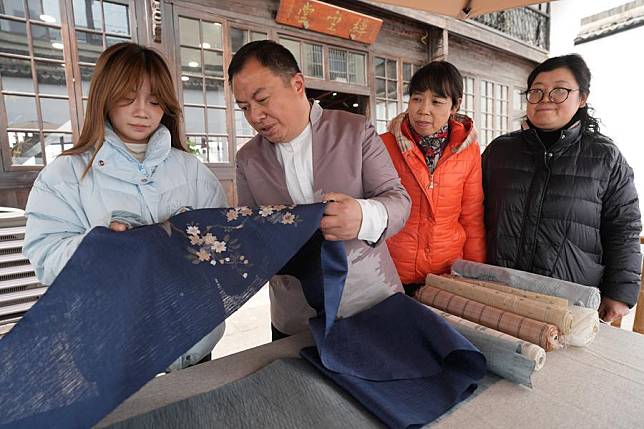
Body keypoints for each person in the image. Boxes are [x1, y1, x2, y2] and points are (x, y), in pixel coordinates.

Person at [22, 42, 227, 369]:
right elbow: (44, 254)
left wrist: (195, 240)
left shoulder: (193, 171)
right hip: (110, 351)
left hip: (192, 339)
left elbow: (223, 243)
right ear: (105, 95)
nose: (142, 111)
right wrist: (101, 245)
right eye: (127, 98)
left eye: (155, 100)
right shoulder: (66, 173)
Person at [229, 40, 411, 340]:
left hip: (367, 301)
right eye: (244, 107)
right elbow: (251, 230)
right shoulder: (248, 158)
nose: (255, 116)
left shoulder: (355, 131)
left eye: (262, 99)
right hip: (294, 315)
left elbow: (399, 201)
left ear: (297, 84)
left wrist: (363, 216)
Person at [482, 54, 641, 323]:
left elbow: (624, 227)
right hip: (500, 293)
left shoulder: (605, 157)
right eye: (537, 91)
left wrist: (620, 293)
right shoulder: (500, 150)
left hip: (570, 301)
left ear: (582, 98)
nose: (545, 98)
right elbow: (471, 209)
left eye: (559, 90)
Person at [380, 61, 485, 295]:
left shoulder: (467, 151)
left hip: (447, 275)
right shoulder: (383, 145)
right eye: (416, 98)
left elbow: (472, 217)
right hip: (390, 271)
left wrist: (475, 273)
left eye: (436, 102)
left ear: (455, 106)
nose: (423, 109)